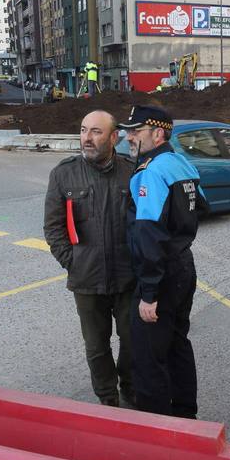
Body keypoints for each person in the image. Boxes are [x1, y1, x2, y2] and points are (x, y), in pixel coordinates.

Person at [43, 110, 137, 407]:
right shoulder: (63, 174)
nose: (87, 138)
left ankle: (130, 388)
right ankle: (107, 398)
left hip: (127, 276)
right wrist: (73, 262)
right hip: (87, 279)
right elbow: (53, 227)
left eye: (96, 132)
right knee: (96, 347)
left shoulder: (132, 173)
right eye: (83, 130)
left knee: (133, 341)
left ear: (113, 137)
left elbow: (143, 224)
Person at [121, 105, 208, 419]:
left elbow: (148, 233)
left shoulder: (151, 171)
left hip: (162, 274)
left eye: (135, 131)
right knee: (176, 344)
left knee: (148, 358)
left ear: (157, 134)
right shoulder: (181, 162)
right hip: (184, 266)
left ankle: (156, 429)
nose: (128, 136)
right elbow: (203, 204)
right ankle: (186, 416)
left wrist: (148, 293)